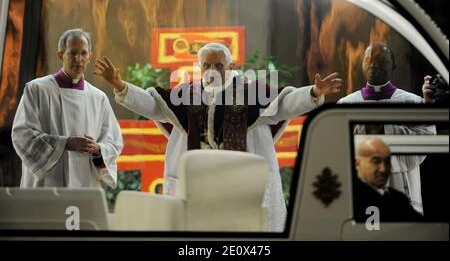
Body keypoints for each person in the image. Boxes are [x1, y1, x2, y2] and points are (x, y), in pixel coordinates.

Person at [94, 42, 343, 232]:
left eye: (219, 65)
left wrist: (313, 92)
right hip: (199, 181)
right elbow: (152, 105)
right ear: (199, 67)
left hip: (241, 180)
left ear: (231, 67)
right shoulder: (187, 94)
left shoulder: (252, 92)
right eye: (207, 65)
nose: (212, 70)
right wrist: (120, 85)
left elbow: (286, 103)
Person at [12, 29, 123, 188]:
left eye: (84, 53)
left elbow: (114, 142)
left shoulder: (98, 98)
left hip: (84, 183)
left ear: (90, 57)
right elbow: (22, 135)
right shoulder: (37, 89)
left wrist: (98, 149)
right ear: (61, 55)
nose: (78, 59)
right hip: (46, 185)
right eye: (72, 53)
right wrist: (65, 144)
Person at [338, 42, 435, 214]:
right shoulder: (345, 105)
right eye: (368, 59)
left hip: (402, 189)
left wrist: (378, 128)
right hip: (360, 191)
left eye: (381, 60)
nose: (374, 64)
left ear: (394, 66)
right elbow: (337, 152)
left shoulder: (413, 103)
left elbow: (426, 142)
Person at [354, 138, 422, 222]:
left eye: (387, 161)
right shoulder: (352, 196)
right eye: (376, 161)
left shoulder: (399, 199)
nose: (383, 169)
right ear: (358, 164)